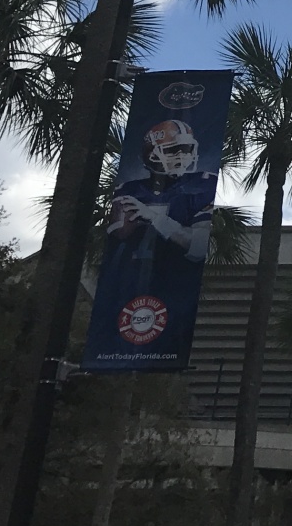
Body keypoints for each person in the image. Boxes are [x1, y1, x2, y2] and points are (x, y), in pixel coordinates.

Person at [90, 117, 217, 360]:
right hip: (127, 289)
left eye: (186, 149)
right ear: (151, 154)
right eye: (173, 150)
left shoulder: (201, 186)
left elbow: (199, 247)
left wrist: (154, 218)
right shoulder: (127, 191)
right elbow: (115, 241)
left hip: (176, 288)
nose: (182, 156)